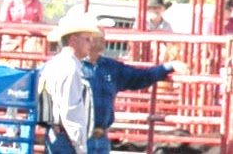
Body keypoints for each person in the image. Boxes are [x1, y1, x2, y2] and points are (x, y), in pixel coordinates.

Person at [82, 19, 187, 154]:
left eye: (103, 33)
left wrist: (168, 67)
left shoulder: (110, 67)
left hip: (99, 137)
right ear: (85, 38)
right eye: (98, 33)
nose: (103, 37)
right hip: (77, 135)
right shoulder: (73, 67)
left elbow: (140, 77)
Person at [38, 13, 100, 154]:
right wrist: (80, 147)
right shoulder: (70, 68)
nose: (91, 44)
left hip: (55, 134)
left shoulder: (54, 63)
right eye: (87, 39)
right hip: (65, 138)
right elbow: (71, 111)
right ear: (73, 40)